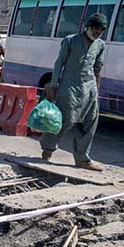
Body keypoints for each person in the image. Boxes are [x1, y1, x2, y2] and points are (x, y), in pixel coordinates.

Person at [40, 13, 107, 172]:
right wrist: (53, 86)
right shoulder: (71, 40)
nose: (98, 32)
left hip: (89, 87)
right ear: (88, 26)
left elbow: (97, 69)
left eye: (101, 30)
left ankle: (83, 159)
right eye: (96, 28)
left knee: (90, 122)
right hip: (70, 86)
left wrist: (96, 91)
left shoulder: (100, 45)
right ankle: (48, 147)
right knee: (66, 120)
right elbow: (59, 64)